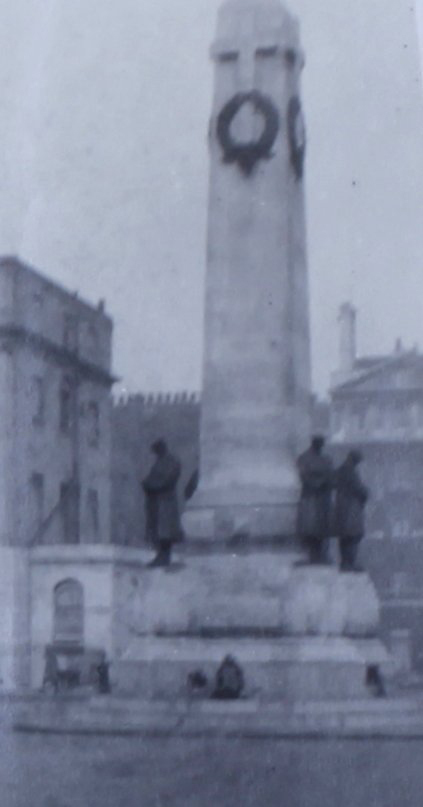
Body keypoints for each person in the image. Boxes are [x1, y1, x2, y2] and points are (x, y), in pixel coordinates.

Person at [142, 438, 182, 567]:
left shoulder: (171, 462)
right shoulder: (160, 462)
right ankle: (160, 556)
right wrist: (147, 483)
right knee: (157, 532)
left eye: (156, 450)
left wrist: (150, 485)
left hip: (165, 503)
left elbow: (166, 480)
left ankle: (164, 557)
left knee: (165, 532)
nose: (155, 454)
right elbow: (151, 479)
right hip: (156, 502)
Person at [297, 435, 334, 564]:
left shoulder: (326, 459)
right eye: (319, 443)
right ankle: (312, 555)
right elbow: (304, 476)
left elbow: (331, 474)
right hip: (311, 496)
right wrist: (318, 483)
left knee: (322, 527)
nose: (320, 446)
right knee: (310, 527)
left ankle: (321, 554)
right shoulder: (304, 458)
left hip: (323, 498)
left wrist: (326, 481)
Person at [334, 450, 369, 572]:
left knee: (345, 537)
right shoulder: (350, 472)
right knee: (353, 536)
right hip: (351, 509)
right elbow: (360, 490)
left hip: (342, 507)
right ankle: (349, 563)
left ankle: (345, 562)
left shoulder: (340, 470)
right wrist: (366, 493)